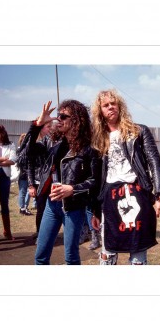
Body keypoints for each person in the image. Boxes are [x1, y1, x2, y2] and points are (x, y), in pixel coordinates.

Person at [91, 89, 160, 265]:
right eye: (106, 105)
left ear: (120, 106)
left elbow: (154, 162)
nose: (111, 107)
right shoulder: (98, 138)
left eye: (113, 103)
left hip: (137, 193)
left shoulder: (138, 131)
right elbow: (96, 177)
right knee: (108, 252)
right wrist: (95, 210)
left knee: (137, 253)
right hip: (109, 198)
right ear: (100, 110)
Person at [28, 100, 101, 265]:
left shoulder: (89, 148)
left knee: (71, 257)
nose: (58, 119)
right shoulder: (53, 143)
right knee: (40, 255)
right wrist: (37, 125)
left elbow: (95, 181)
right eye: (58, 115)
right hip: (51, 205)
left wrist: (73, 189)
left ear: (76, 120)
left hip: (73, 208)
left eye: (63, 116)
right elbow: (26, 153)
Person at [26, 121, 53, 239]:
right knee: (41, 209)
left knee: (53, 210)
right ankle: (40, 234)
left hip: (53, 182)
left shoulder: (53, 142)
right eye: (48, 127)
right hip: (39, 183)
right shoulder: (36, 145)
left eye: (51, 126)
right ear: (41, 129)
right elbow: (29, 166)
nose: (50, 129)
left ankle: (48, 233)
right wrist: (31, 185)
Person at [16, 133, 32, 216]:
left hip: (29, 175)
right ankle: (22, 208)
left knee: (29, 192)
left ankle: (25, 206)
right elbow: (20, 163)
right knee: (22, 192)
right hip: (23, 174)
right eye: (25, 139)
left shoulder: (30, 150)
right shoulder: (19, 150)